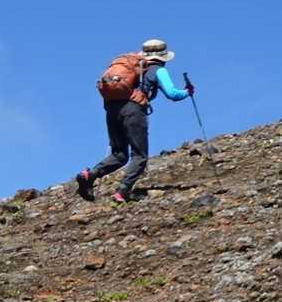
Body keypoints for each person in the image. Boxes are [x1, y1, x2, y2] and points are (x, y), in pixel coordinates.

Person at [77, 39, 194, 204]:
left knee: (119, 154)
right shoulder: (158, 70)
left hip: (112, 109)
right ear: (162, 57)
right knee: (139, 155)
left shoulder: (133, 68)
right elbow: (172, 94)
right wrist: (188, 91)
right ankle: (122, 192)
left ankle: (90, 175)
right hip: (134, 111)